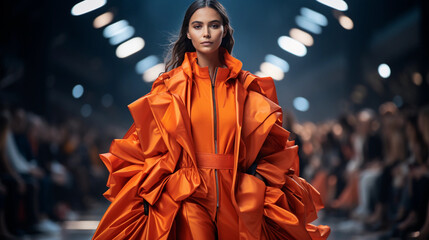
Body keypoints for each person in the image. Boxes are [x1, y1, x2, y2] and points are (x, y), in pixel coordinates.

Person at [93, 1, 330, 239]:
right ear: (188, 32)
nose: (206, 33)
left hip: (238, 193)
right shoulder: (169, 89)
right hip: (189, 193)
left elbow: (271, 149)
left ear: (224, 30)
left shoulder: (247, 88)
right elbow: (144, 145)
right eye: (198, 26)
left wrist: (259, 178)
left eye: (213, 25)